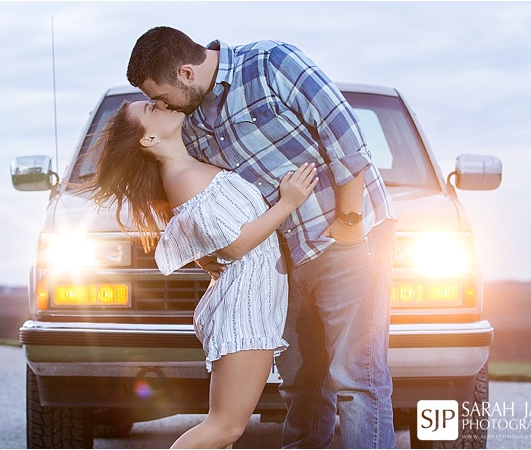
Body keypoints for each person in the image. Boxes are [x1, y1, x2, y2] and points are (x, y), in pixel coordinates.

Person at [127, 27, 397, 448]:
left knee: (355, 376)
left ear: (185, 73)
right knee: (302, 384)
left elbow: (343, 131)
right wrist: (202, 250)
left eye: (160, 96)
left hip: (341, 239)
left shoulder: (271, 63)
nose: (161, 105)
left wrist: (348, 221)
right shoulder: (188, 120)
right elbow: (188, 195)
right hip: (279, 262)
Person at [88, 99, 317, 449]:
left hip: (252, 297)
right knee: (225, 427)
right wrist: (288, 202)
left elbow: (210, 234)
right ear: (147, 140)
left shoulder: (190, 167)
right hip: (245, 305)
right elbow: (235, 246)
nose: (161, 104)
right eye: (151, 109)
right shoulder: (183, 176)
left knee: (223, 436)